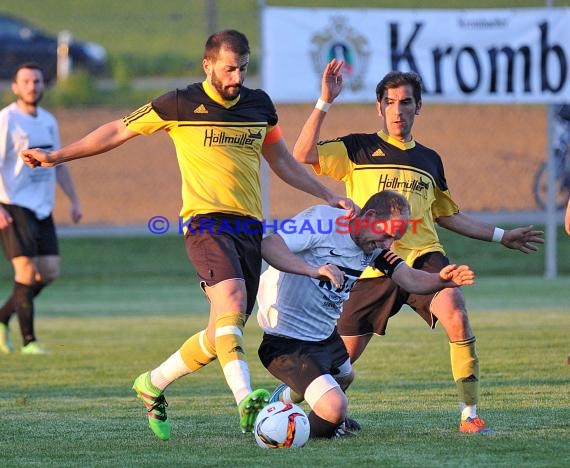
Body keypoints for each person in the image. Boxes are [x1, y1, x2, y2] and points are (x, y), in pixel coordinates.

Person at [21, 31, 356, 441]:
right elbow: (115, 132)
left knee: (220, 334)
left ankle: (152, 383)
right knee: (232, 299)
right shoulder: (179, 103)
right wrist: (55, 156)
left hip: (249, 228)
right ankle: (247, 400)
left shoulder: (259, 106)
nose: (237, 77)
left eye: (243, 68)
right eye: (230, 68)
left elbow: (283, 161)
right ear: (208, 65)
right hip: (204, 222)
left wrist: (327, 194)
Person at [293, 59, 545, 434]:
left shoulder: (429, 160)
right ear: (379, 106)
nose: (398, 110)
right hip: (371, 263)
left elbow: (446, 215)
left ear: (418, 107)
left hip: (423, 258)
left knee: (455, 308)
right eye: (391, 102)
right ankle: (283, 404)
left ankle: (469, 414)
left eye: (406, 102)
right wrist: (325, 101)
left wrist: (500, 235)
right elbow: (301, 155)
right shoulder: (357, 149)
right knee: (337, 363)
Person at [257, 190, 475, 439]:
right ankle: (290, 431)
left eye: (394, 238)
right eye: (387, 234)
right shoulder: (324, 222)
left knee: (345, 376)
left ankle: (281, 401)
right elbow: (269, 244)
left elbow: (409, 278)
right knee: (335, 407)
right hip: (287, 341)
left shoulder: (374, 246)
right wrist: (312, 270)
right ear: (370, 216)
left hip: (325, 338)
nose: (388, 244)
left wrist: (441, 280)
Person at [0, 63, 82, 355]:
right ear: (15, 86)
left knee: (48, 272)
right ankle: (29, 341)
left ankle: (2, 317)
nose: (32, 86)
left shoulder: (48, 120)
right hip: (13, 205)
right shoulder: (7, 120)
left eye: (36, 81)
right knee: (25, 271)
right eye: (26, 81)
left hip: (42, 207)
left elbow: (56, 162)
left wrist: (74, 200)